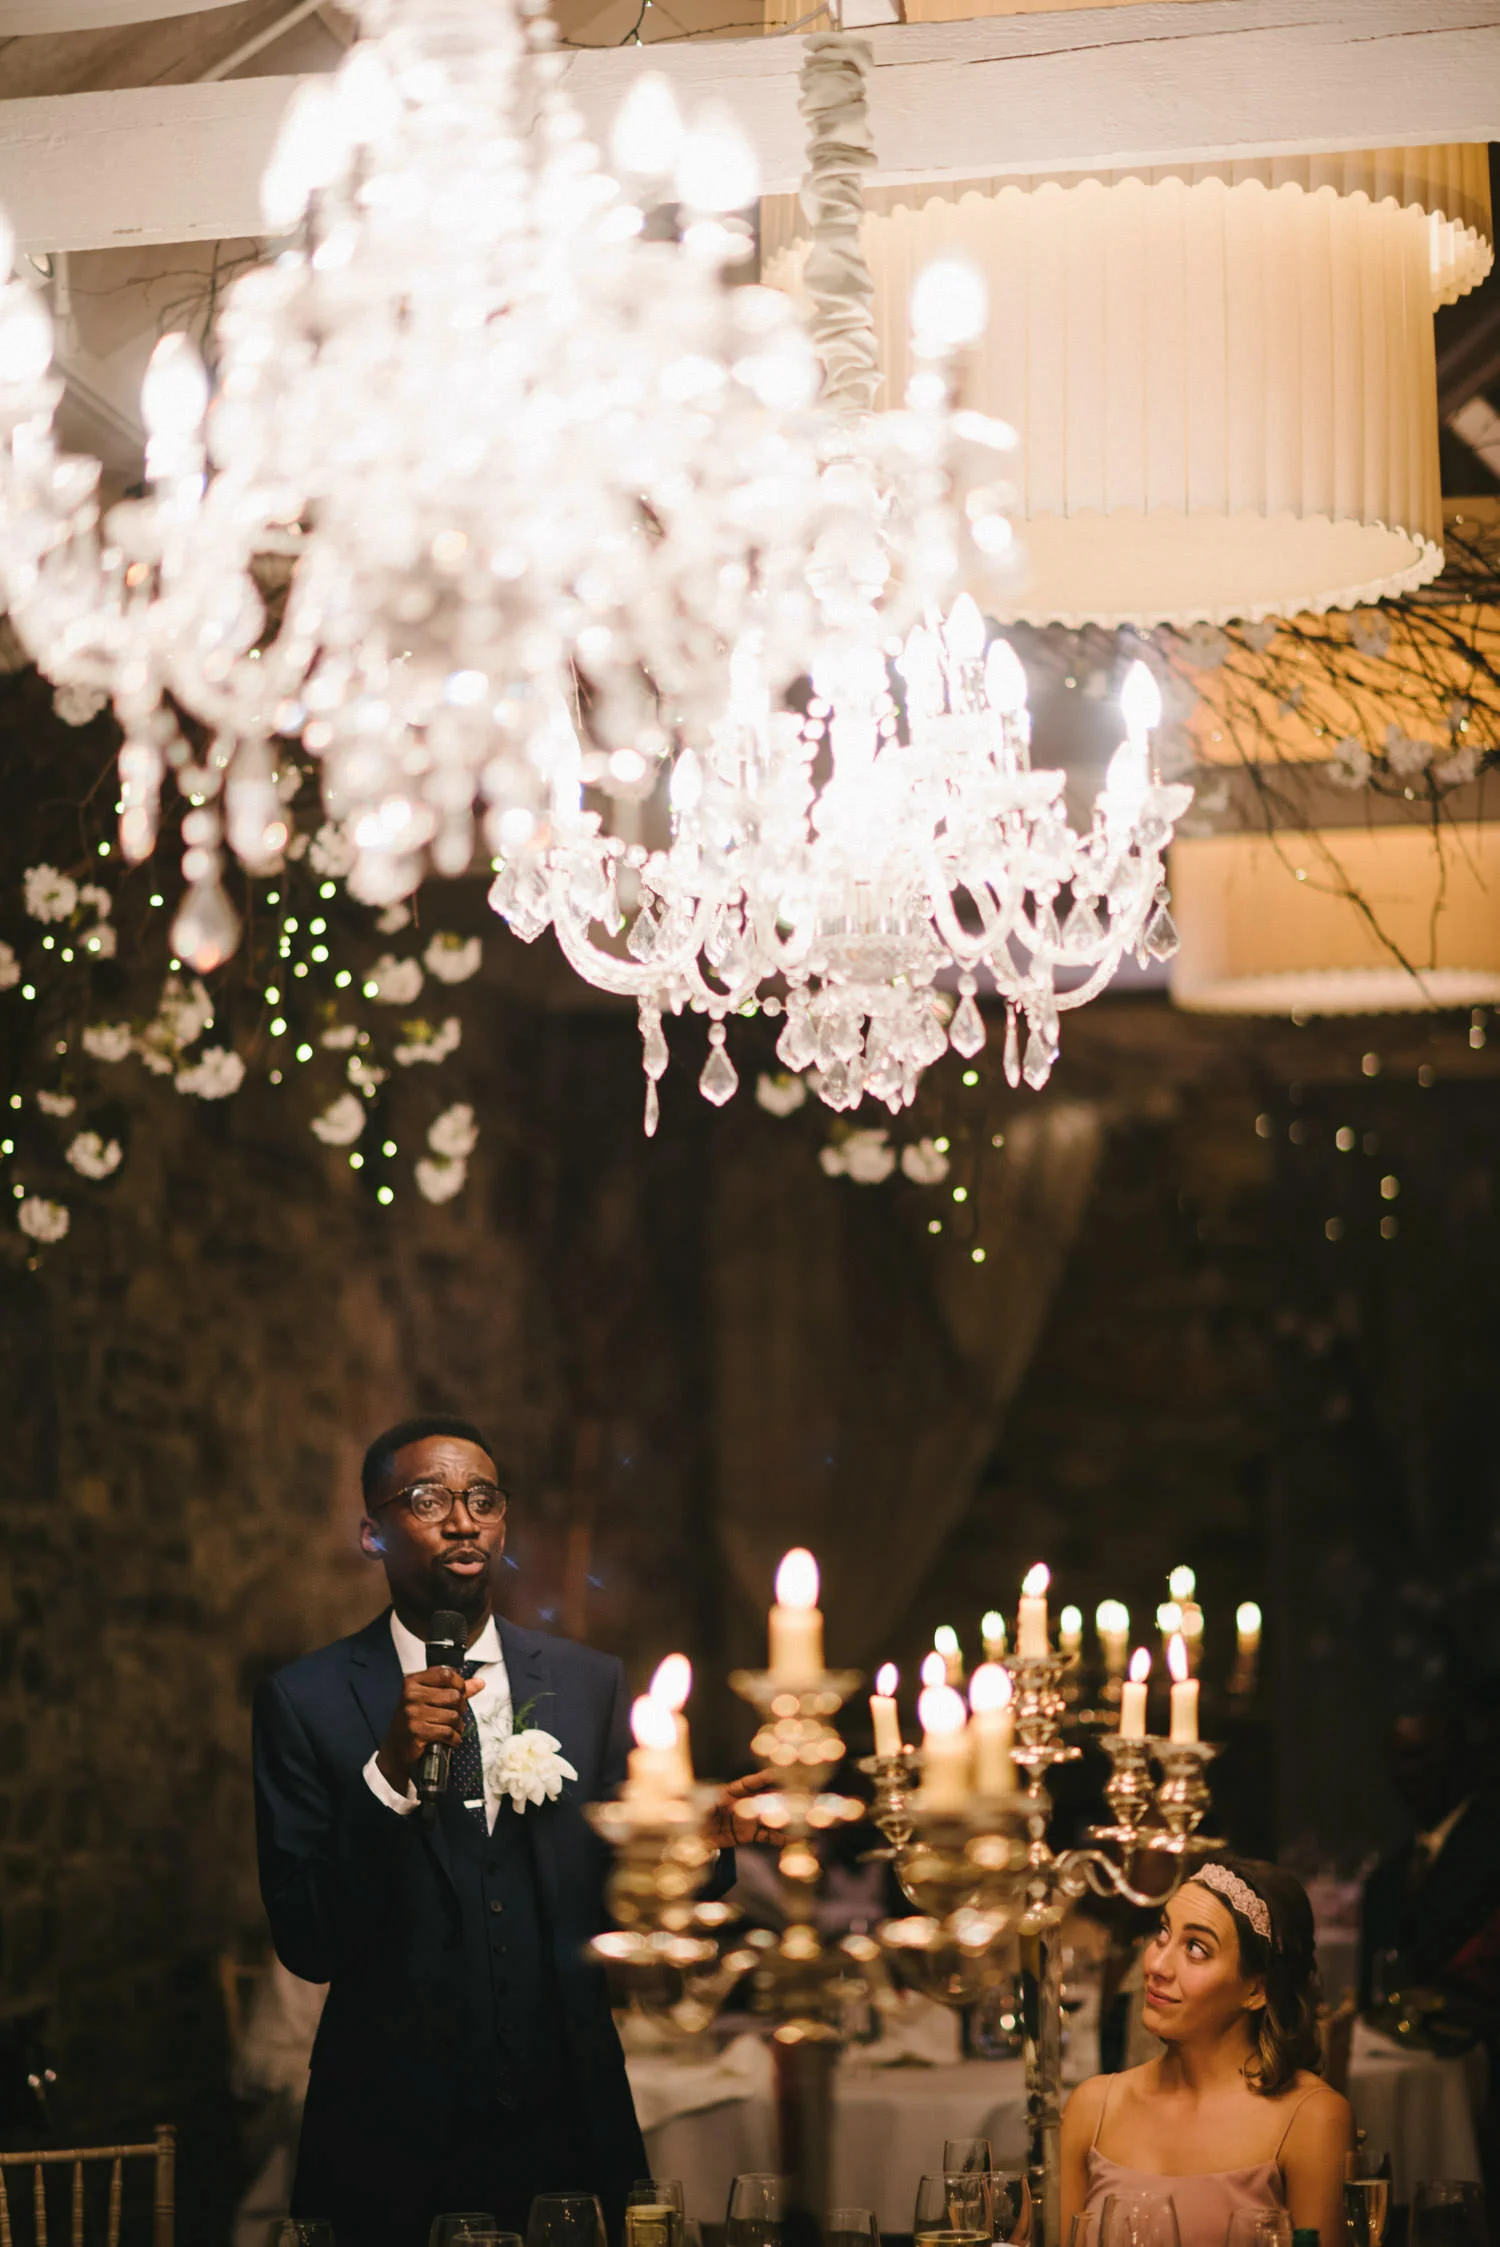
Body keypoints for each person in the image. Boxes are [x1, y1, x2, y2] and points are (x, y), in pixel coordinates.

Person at [253, 1414, 752, 2247]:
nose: (462, 1518)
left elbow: (619, 1899)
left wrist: (698, 1843)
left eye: (481, 1497)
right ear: (372, 1532)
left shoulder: (588, 1685)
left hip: (568, 2127)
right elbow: (309, 1938)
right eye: (428, 1499)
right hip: (388, 2142)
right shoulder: (303, 1702)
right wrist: (388, 1774)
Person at [1060, 1857, 1352, 2247]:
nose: (1158, 1965)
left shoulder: (1309, 2117)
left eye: (1196, 1948)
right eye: (1163, 1934)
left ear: (1256, 1989)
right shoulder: (1092, 2107)